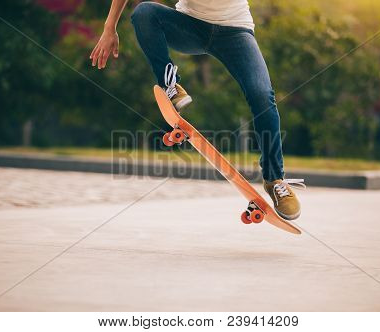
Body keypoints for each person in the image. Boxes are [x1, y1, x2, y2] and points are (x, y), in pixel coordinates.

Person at [90, 0, 305, 220]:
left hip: (235, 31)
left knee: (262, 96)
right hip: (189, 26)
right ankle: (170, 85)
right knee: (144, 13)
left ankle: (275, 179)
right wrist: (109, 28)